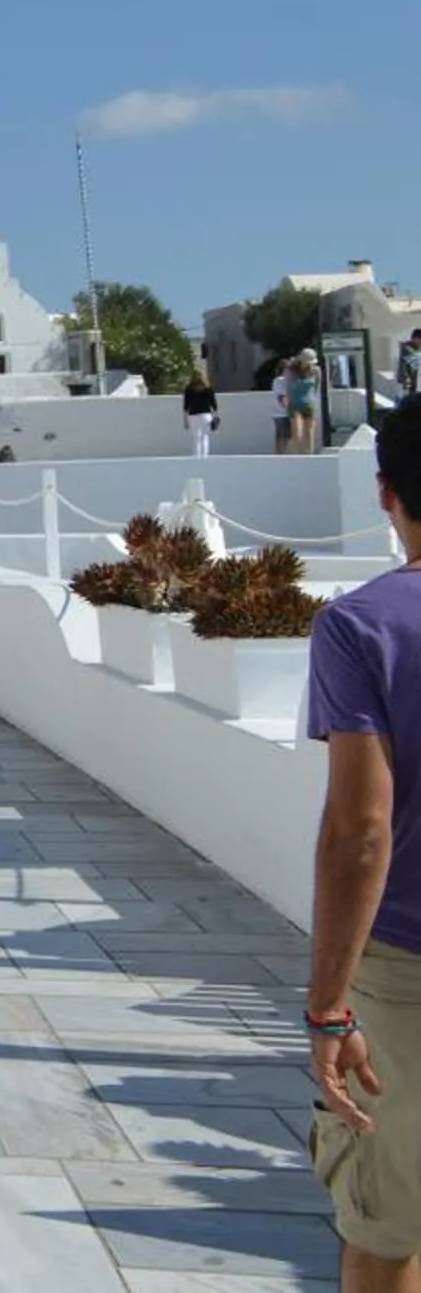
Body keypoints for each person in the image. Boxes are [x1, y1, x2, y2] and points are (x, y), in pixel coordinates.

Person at [304, 401, 421, 1289]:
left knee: (387, 1225)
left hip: (405, 974)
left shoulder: (363, 625)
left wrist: (328, 1008)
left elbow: (360, 832)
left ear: (387, 493)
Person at [184, 363, 221, 459]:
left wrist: (185, 420)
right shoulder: (208, 388)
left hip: (193, 415)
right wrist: (215, 415)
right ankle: (205, 457)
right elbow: (213, 403)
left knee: (196, 437)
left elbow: (186, 405)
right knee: (205, 437)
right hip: (206, 415)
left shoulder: (189, 388)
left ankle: (196, 456)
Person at [293, 352, 326, 456]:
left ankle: (309, 454)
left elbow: (317, 386)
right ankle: (297, 454)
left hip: (309, 403)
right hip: (295, 404)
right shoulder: (294, 371)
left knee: (309, 430)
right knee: (298, 431)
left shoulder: (316, 371)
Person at [281, 363, 301, 455]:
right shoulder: (288, 381)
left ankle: (292, 451)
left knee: (295, 431)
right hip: (292, 407)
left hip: (293, 406)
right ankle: (291, 451)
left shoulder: (291, 380)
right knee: (294, 431)